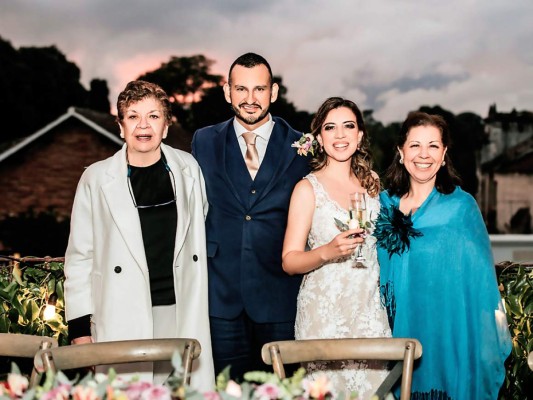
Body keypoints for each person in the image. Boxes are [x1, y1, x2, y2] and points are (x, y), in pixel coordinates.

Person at [64, 80, 215, 391]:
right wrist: (80, 330)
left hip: (180, 309)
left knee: (181, 391)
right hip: (121, 311)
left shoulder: (189, 170)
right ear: (120, 126)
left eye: (154, 116)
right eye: (133, 116)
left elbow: (199, 225)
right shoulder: (95, 179)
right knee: (128, 393)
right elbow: (80, 257)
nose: (143, 126)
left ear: (166, 126)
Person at [375, 111, 512, 399]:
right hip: (390, 334)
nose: (423, 154)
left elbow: (480, 284)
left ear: (444, 153)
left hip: (447, 333)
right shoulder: (380, 206)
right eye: (414, 145)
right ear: (400, 152)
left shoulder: (461, 208)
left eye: (433, 146)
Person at [191, 52, 310, 379]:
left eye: (259, 89)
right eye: (241, 89)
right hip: (221, 295)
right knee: (225, 388)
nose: (250, 98)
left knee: (284, 388)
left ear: (273, 92)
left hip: (281, 294)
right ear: (227, 92)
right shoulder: (203, 141)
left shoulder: (304, 145)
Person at [282, 97, 392, 397]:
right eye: (330, 127)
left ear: (359, 136)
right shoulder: (307, 189)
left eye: (348, 126)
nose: (340, 135)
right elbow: (289, 261)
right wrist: (326, 252)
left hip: (369, 308)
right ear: (319, 138)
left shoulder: (372, 183)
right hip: (324, 311)